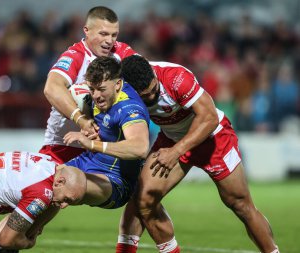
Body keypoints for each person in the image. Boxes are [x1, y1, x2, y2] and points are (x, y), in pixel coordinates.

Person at [116, 55, 280, 253]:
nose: (151, 98)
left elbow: (209, 118)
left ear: (154, 75)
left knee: (240, 204)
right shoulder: (122, 89)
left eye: (153, 90)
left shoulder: (176, 78)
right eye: (145, 96)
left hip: (212, 138)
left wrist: (176, 151)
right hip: (171, 139)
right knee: (143, 198)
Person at [41, 6, 137, 164]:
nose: (109, 41)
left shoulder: (122, 52)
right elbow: (51, 88)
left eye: (114, 35)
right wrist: (82, 120)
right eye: (103, 34)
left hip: (103, 148)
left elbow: (143, 76)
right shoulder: (76, 56)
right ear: (86, 30)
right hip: (64, 147)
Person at [62, 56, 150, 209]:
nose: (96, 95)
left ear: (117, 84)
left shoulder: (129, 108)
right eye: (92, 89)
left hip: (115, 181)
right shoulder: (100, 93)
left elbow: (140, 148)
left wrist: (93, 144)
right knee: (43, 184)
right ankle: (24, 232)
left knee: (64, 186)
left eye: (101, 89)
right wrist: (87, 122)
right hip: (86, 162)